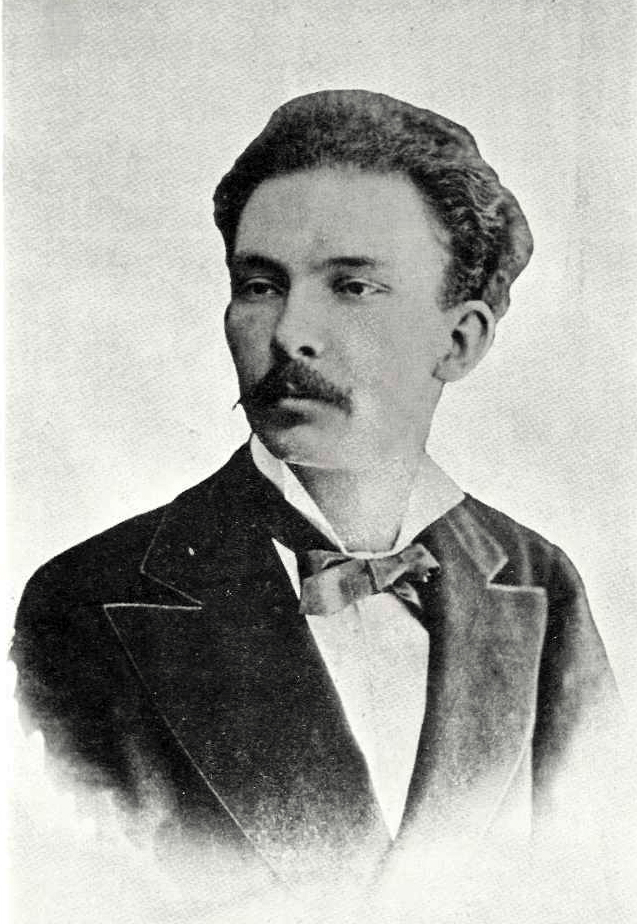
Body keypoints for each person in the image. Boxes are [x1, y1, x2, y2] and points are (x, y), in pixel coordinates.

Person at [10, 90, 618, 894]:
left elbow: (593, 881)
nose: (291, 332)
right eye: (260, 285)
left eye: (352, 287)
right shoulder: (89, 599)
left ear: (459, 339)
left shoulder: (539, 585)